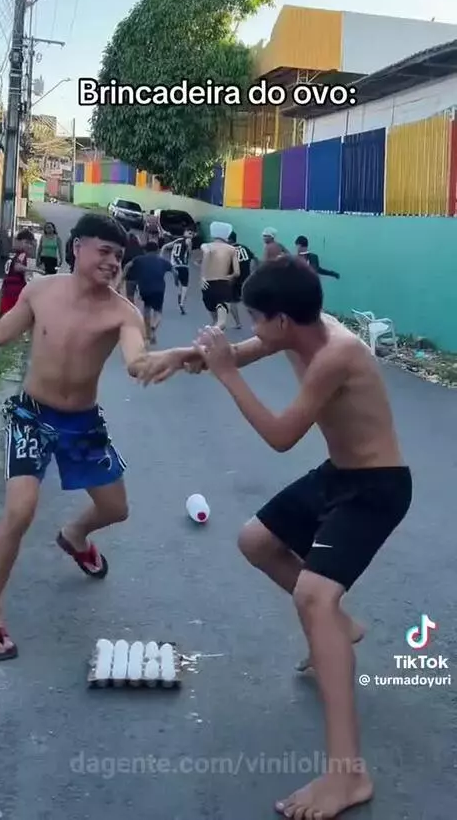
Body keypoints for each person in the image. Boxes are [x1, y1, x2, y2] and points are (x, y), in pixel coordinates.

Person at [134, 257, 412, 819]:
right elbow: (236, 352)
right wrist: (179, 356)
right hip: (339, 476)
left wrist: (225, 373)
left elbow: (281, 435)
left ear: (282, 319)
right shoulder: (296, 329)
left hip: (376, 488)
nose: (254, 328)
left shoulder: (336, 353)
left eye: (258, 319)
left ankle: (348, 775)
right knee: (256, 541)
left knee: (315, 597)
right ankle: (341, 629)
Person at [0, 213, 148, 662]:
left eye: (118, 256)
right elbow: (1, 333)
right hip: (32, 417)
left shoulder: (123, 312)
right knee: (20, 511)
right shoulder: (41, 291)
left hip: (83, 424)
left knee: (116, 508)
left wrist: (159, 362)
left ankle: (75, 535)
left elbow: (136, 360)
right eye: (104, 251)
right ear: (77, 248)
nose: (112, 262)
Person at [121, 239, 172, 345]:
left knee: (146, 309)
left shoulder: (139, 259)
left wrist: (123, 277)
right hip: (159, 289)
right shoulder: (162, 261)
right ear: (157, 250)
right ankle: (153, 326)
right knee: (158, 312)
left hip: (144, 288)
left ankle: (148, 335)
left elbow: (128, 265)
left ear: (145, 250)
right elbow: (174, 270)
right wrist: (176, 280)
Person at [200, 221, 239, 330]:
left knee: (214, 320)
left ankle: (211, 333)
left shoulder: (206, 246)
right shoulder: (231, 249)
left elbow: (207, 253)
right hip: (223, 285)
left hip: (207, 285)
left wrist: (202, 276)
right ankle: (214, 331)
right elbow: (236, 272)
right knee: (221, 322)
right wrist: (227, 278)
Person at [0, 230, 40, 319]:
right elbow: (17, 267)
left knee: (5, 312)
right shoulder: (22, 254)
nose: (29, 246)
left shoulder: (12, 254)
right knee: (15, 313)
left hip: (7, 286)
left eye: (30, 244)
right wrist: (33, 269)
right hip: (16, 287)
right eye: (26, 242)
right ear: (19, 241)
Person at [228, 231, 257, 329]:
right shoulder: (244, 247)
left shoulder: (229, 250)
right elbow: (255, 258)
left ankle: (238, 323)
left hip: (234, 279)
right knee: (248, 302)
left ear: (229, 239)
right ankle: (257, 321)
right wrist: (255, 270)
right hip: (246, 278)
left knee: (231, 301)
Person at [166, 229, 193, 314]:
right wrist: (189, 251)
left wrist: (161, 254)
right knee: (185, 286)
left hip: (174, 265)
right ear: (185, 233)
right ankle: (181, 303)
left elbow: (165, 246)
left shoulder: (177, 240)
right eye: (190, 233)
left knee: (179, 285)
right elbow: (190, 252)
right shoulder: (188, 240)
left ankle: (179, 296)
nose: (191, 235)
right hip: (183, 265)